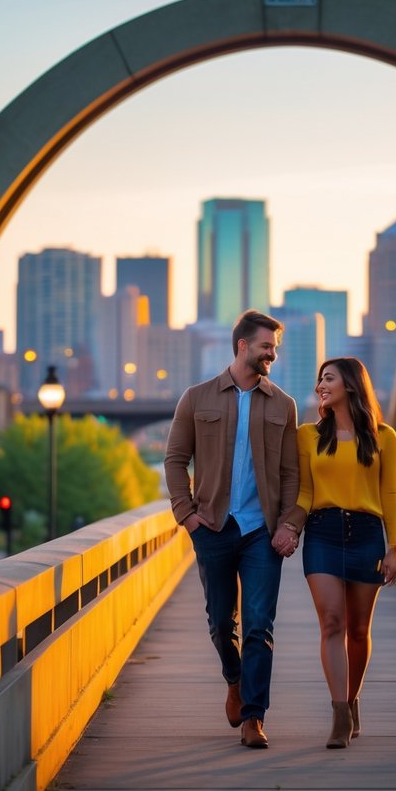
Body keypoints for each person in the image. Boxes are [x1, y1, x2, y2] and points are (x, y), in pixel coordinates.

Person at [164, 310, 301, 749]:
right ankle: (234, 679)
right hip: (214, 527)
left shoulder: (283, 405)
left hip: (262, 531)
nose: (272, 355)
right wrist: (186, 515)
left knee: (260, 624)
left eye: (275, 348)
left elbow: (291, 475)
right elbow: (174, 460)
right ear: (242, 345)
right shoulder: (196, 397)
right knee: (221, 621)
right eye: (266, 346)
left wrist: (290, 524)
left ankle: (253, 718)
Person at [292, 357, 396, 749]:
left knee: (358, 629)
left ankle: (353, 699)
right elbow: (304, 491)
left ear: (351, 385)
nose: (321, 384)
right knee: (332, 623)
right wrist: (291, 527)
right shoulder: (307, 435)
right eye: (319, 378)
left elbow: (390, 493)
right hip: (322, 533)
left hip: (368, 535)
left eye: (329, 378)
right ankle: (340, 714)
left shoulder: (384, 437)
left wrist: (394, 547)